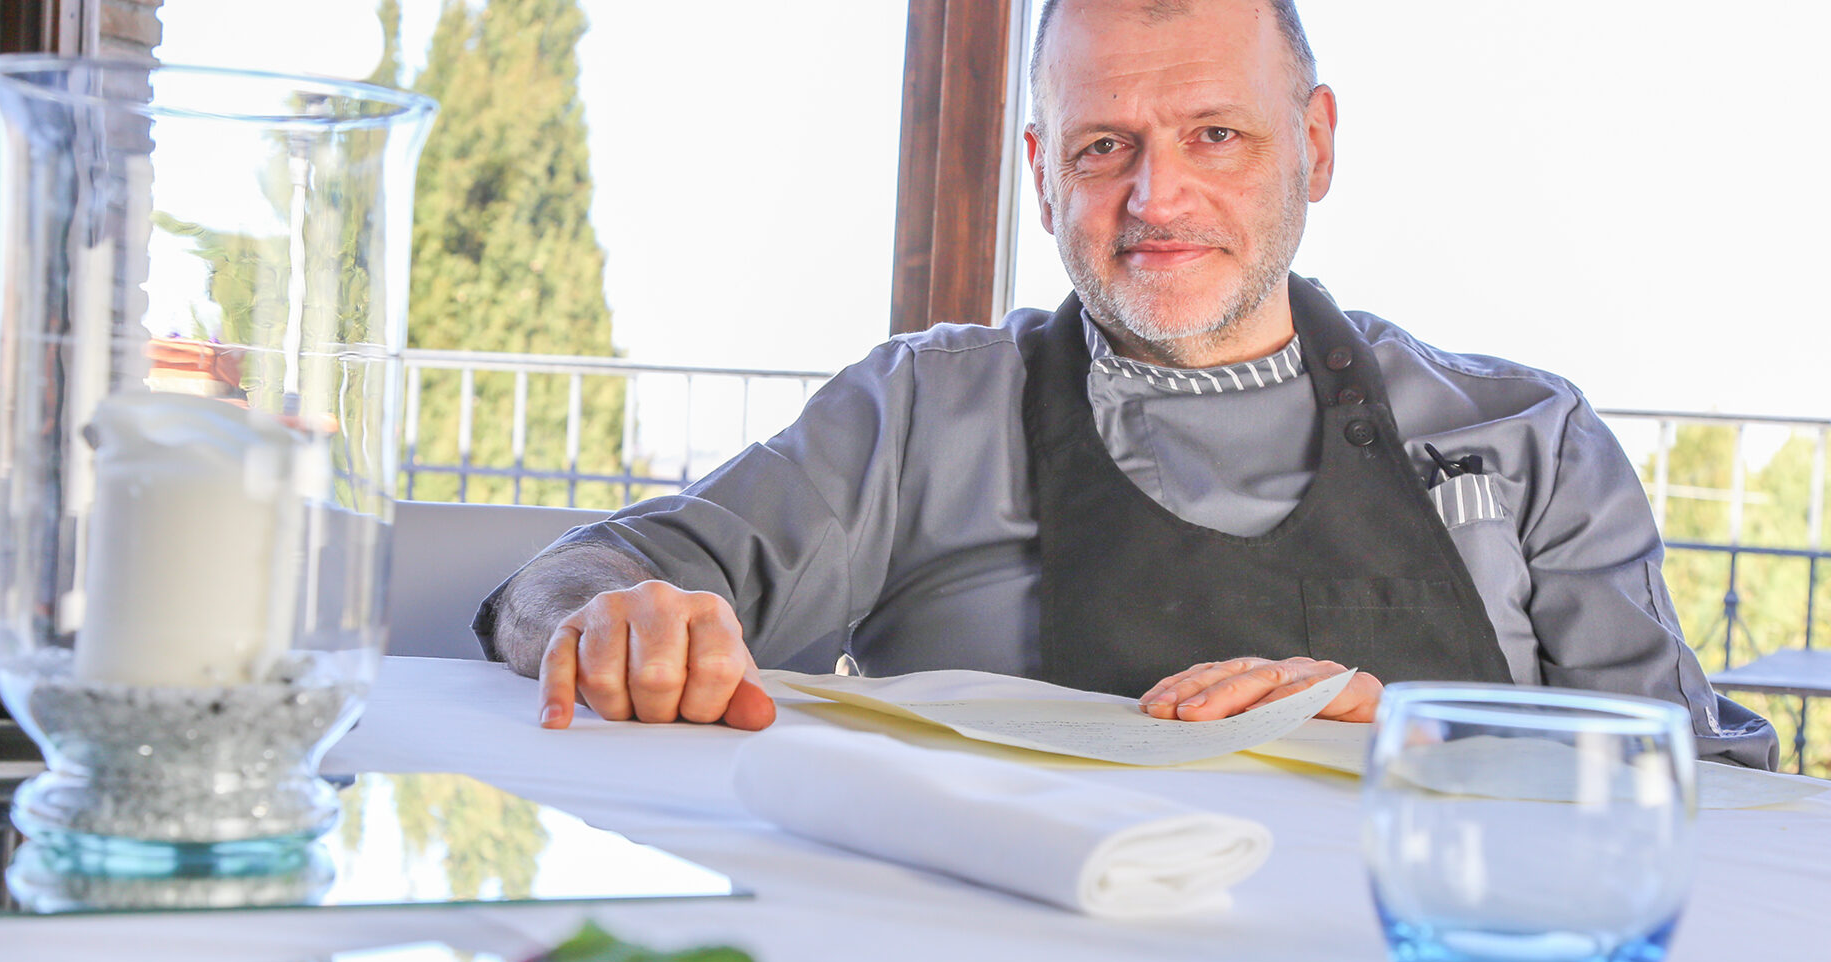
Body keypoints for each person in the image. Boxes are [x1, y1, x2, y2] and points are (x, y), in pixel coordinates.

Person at [474, 0, 1777, 768]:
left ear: (1312, 147)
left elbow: (1702, 788)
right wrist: (609, 623)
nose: (1159, 199)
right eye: (1107, 146)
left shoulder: (1530, 437)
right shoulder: (924, 413)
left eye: (1216, 133)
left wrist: (1420, 732)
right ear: (1041, 170)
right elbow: (577, 580)